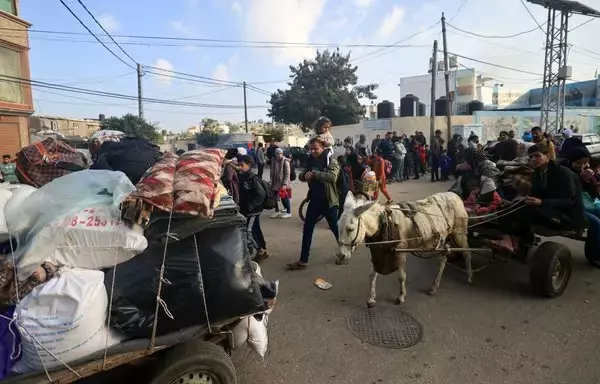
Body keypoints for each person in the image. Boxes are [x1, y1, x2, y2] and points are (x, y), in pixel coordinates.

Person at [511, 144, 586, 255]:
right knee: (513, 206)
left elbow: (570, 202)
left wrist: (541, 202)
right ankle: (516, 240)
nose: (533, 159)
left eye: (537, 156)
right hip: (549, 209)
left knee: (525, 211)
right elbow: (538, 195)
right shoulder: (537, 174)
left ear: (548, 156)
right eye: (530, 157)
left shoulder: (563, 173)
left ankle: (525, 243)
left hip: (567, 215)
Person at [287, 138, 340, 270]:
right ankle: (303, 260)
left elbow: (333, 177)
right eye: (311, 148)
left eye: (315, 148)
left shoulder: (331, 160)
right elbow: (302, 175)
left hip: (328, 201)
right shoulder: (311, 159)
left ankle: (345, 252)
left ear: (323, 147)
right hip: (314, 200)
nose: (313, 151)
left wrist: (315, 174)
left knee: (335, 229)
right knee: (307, 229)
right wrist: (305, 176)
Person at [237, 155, 269, 263]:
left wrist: (251, 205)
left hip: (253, 210)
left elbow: (261, 194)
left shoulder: (252, 178)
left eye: (242, 165)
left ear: (249, 165)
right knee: (255, 229)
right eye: (239, 165)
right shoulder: (243, 176)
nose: (240, 167)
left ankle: (260, 250)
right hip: (248, 209)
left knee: (249, 230)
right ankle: (263, 248)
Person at [270, 148, 292, 219]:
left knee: (284, 198)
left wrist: (284, 184)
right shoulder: (273, 160)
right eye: (277, 153)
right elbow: (272, 171)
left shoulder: (285, 161)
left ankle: (288, 212)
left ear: (282, 154)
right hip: (275, 182)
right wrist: (271, 180)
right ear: (275, 154)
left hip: (283, 183)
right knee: (274, 197)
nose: (279, 155)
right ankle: (277, 211)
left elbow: (287, 174)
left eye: (281, 153)